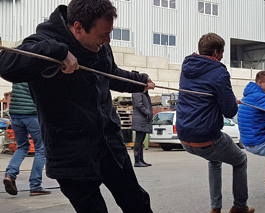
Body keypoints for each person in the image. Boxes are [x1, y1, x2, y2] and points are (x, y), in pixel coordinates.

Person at [0, 1, 154, 211]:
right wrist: (58, 52)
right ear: (78, 27)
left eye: (109, 33)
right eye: (102, 35)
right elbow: (6, 64)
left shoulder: (101, 46)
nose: (107, 40)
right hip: (71, 153)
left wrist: (140, 81)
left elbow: (110, 74)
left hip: (108, 144)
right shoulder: (45, 42)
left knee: (137, 202)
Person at [176, 33, 254, 213]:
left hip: (184, 137)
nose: (222, 57)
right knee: (240, 160)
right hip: (206, 138)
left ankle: (215, 208)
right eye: (222, 52)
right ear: (217, 52)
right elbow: (230, 111)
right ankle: (240, 207)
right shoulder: (219, 71)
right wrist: (231, 101)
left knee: (214, 160)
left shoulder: (187, 66)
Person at [3, 82, 49, 196]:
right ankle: (35, 186)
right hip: (31, 115)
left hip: (15, 115)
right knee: (41, 149)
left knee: (22, 146)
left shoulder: (17, 72)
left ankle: (10, 174)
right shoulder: (35, 72)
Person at [132, 88, 153, 167]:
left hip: (144, 120)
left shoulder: (144, 93)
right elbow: (138, 104)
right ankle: (137, 161)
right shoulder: (137, 92)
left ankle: (141, 160)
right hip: (140, 120)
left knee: (141, 142)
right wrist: (147, 113)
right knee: (138, 141)